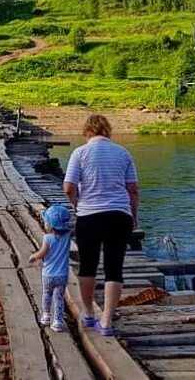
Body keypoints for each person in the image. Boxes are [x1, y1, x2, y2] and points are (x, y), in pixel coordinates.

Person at [63, 114, 138, 337]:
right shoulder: (123, 153)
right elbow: (133, 189)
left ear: (87, 131)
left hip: (89, 216)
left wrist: (77, 205)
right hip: (118, 215)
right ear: (108, 130)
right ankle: (106, 321)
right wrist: (134, 216)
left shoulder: (80, 153)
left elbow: (68, 187)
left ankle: (88, 313)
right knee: (114, 268)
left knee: (88, 266)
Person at [28, 204, 72, 332]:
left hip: (48, 274)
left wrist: (33, 256)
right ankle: (57, 321)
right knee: (59, 298)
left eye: (46, 221)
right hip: (62, 275)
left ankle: (46, 316)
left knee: (47, 294)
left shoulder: (47, 238)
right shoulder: (67, 237)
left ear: (51, 225)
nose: (44, 224)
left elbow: (42, 253)